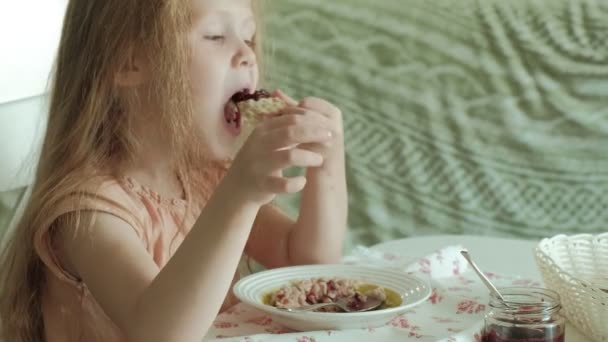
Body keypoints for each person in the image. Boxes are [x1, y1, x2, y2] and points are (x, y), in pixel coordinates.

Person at [0, 1, 347, 341]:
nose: (247, 55)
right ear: (129, 61)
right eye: (215, 36)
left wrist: (327, 167)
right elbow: (161, 332)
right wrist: (239, 197)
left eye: (250, 38)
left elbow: (303, 261)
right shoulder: (86, 212)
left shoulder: (206, 177)